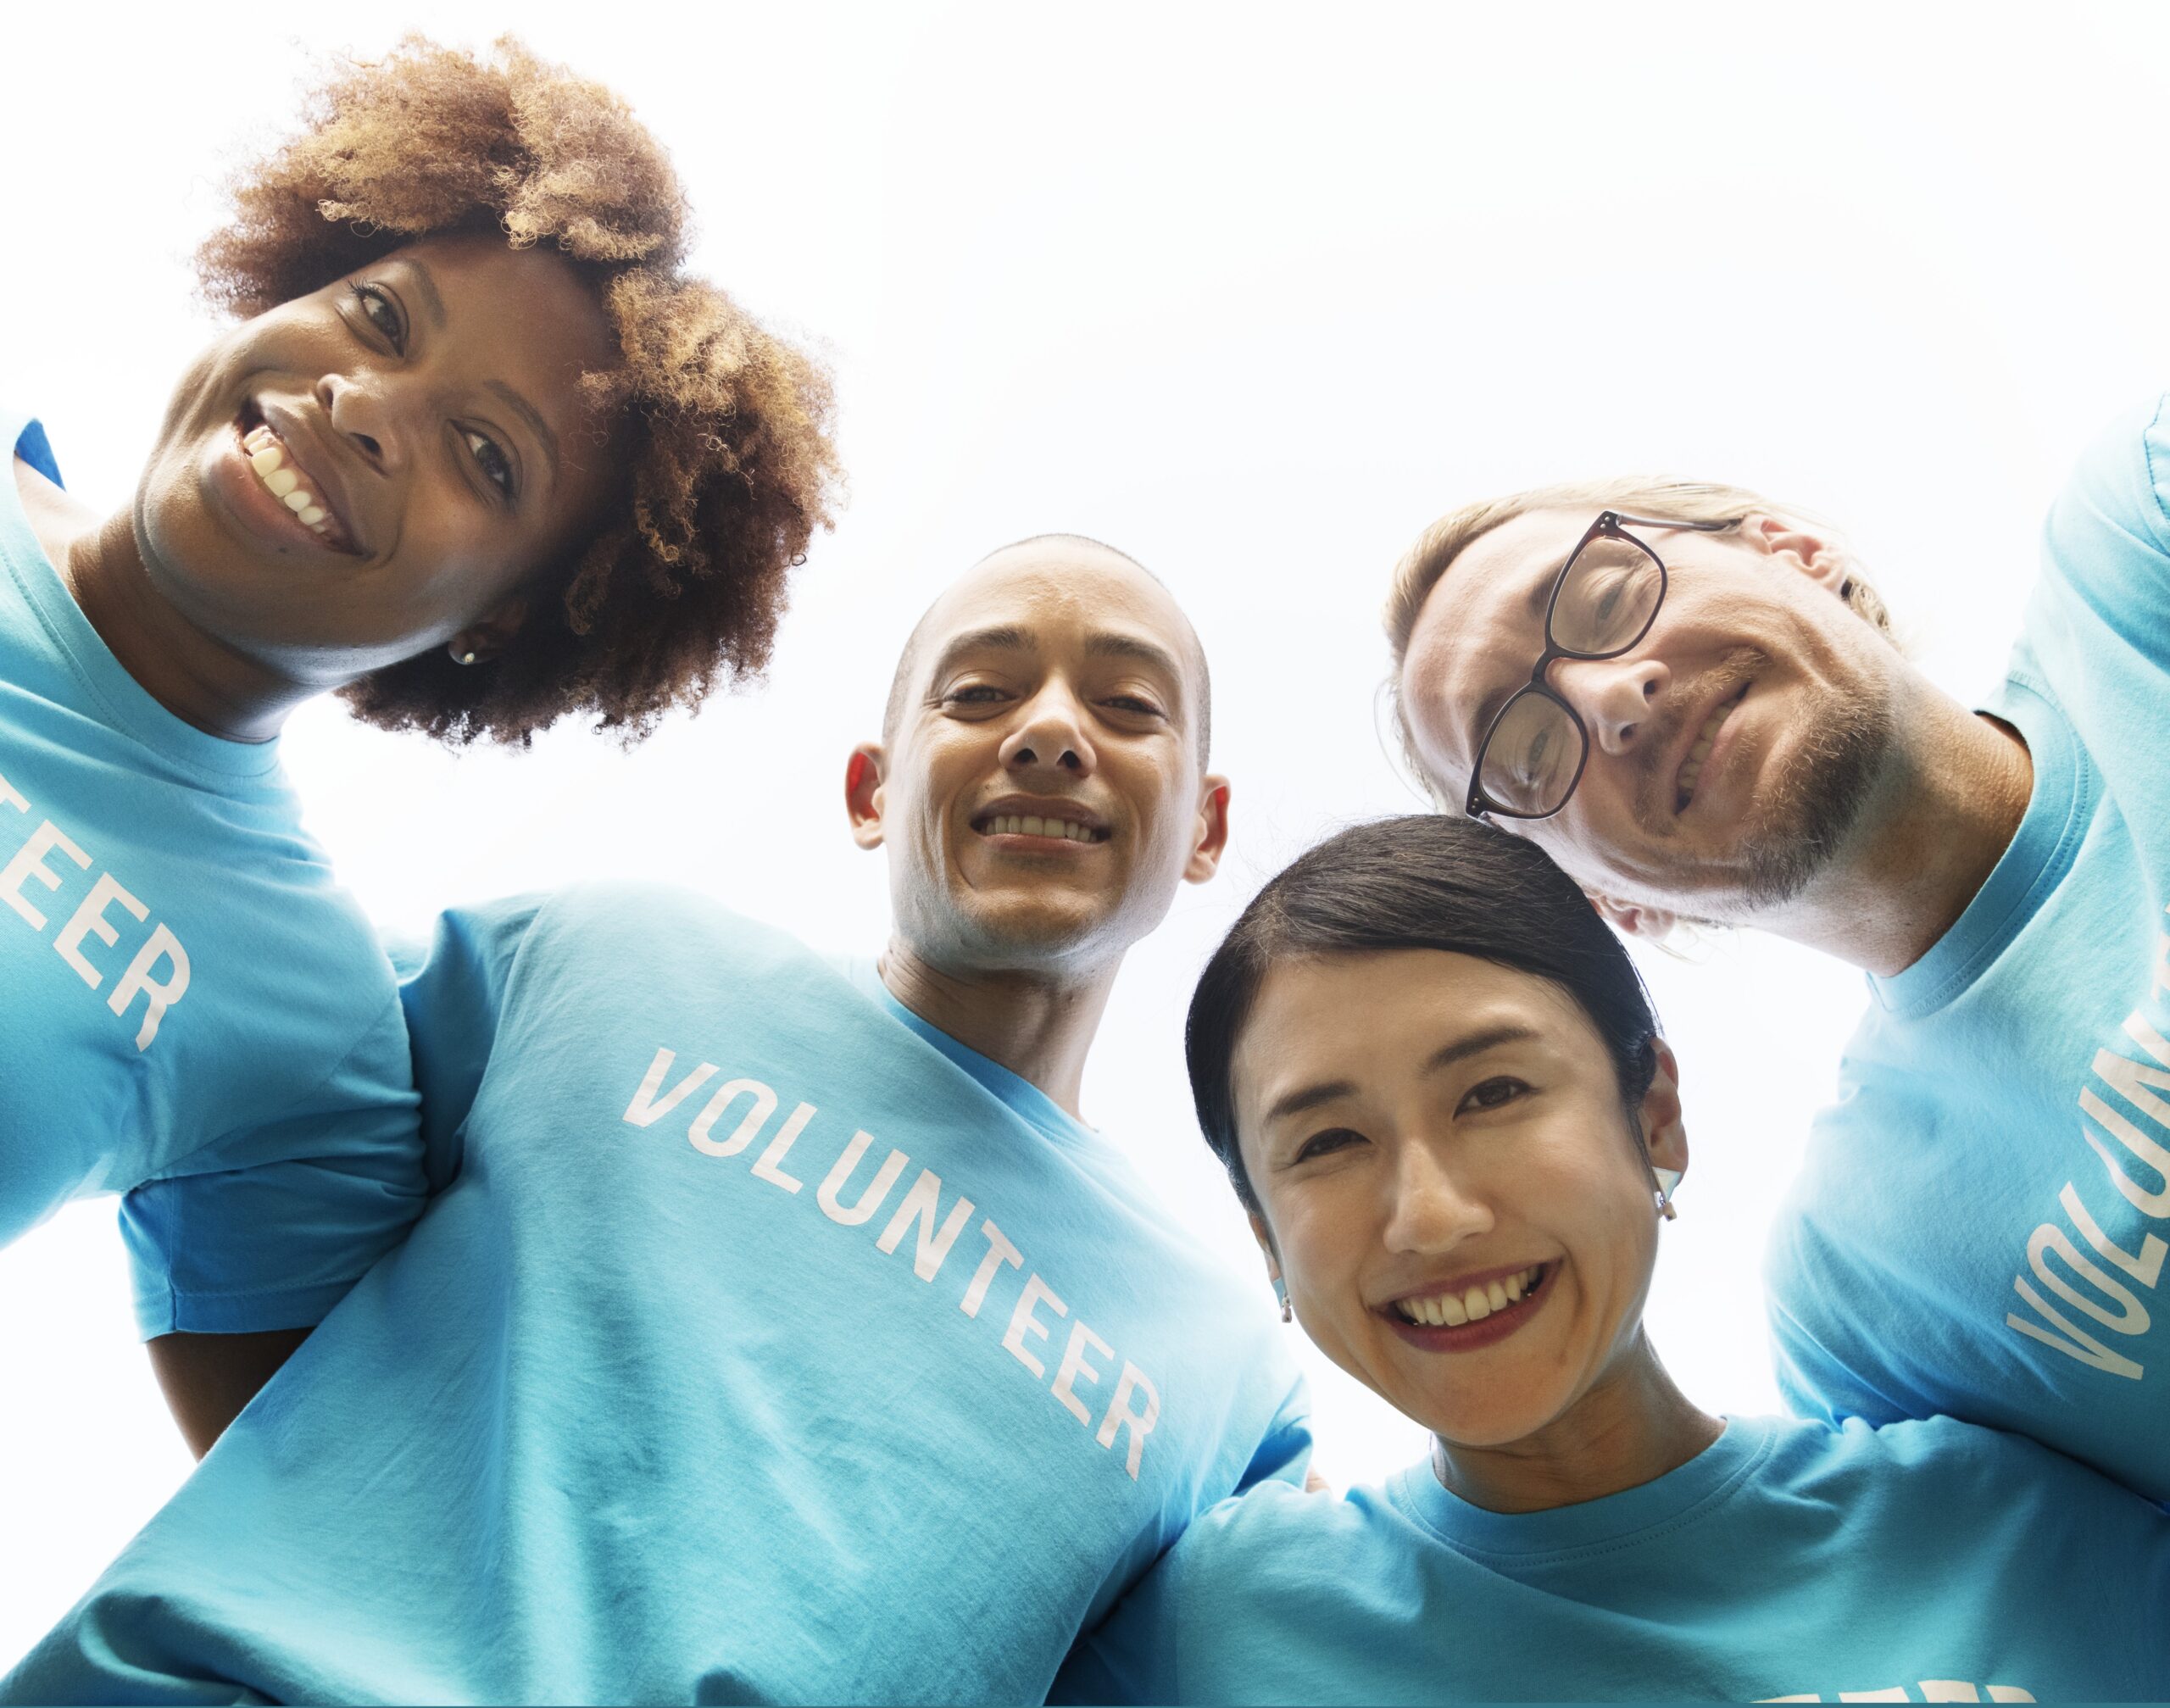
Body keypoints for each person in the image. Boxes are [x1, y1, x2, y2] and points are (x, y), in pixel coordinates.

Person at [2, 535, 1310, 1705]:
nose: (1050, 732)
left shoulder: (1233, 1373)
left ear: (1206, 825)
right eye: (977, 692)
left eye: (1128, 705)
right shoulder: (601, 956)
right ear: (869, 789)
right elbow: (243, 1038)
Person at [3, 36, 837, 1454]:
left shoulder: (300, 1028)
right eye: (381, 317)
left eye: (487, 456)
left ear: (505, 622)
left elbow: (348, 1547)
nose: (369, 410)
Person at [1055, 814, 2170, 1703]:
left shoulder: (2021, 1527)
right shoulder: (1195, 1637)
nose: (1431, 1216)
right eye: (1327, 1142)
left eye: (1493, 1091)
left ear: (1657, 1119)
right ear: (1264, 1237)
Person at [1383, 417, 2170, 1503]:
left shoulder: (2138, 549)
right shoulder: (1867, 1299)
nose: (1609, 701)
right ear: (1611, 899)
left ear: (1793, 548)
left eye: (1607, 600)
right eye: (1524, 752)